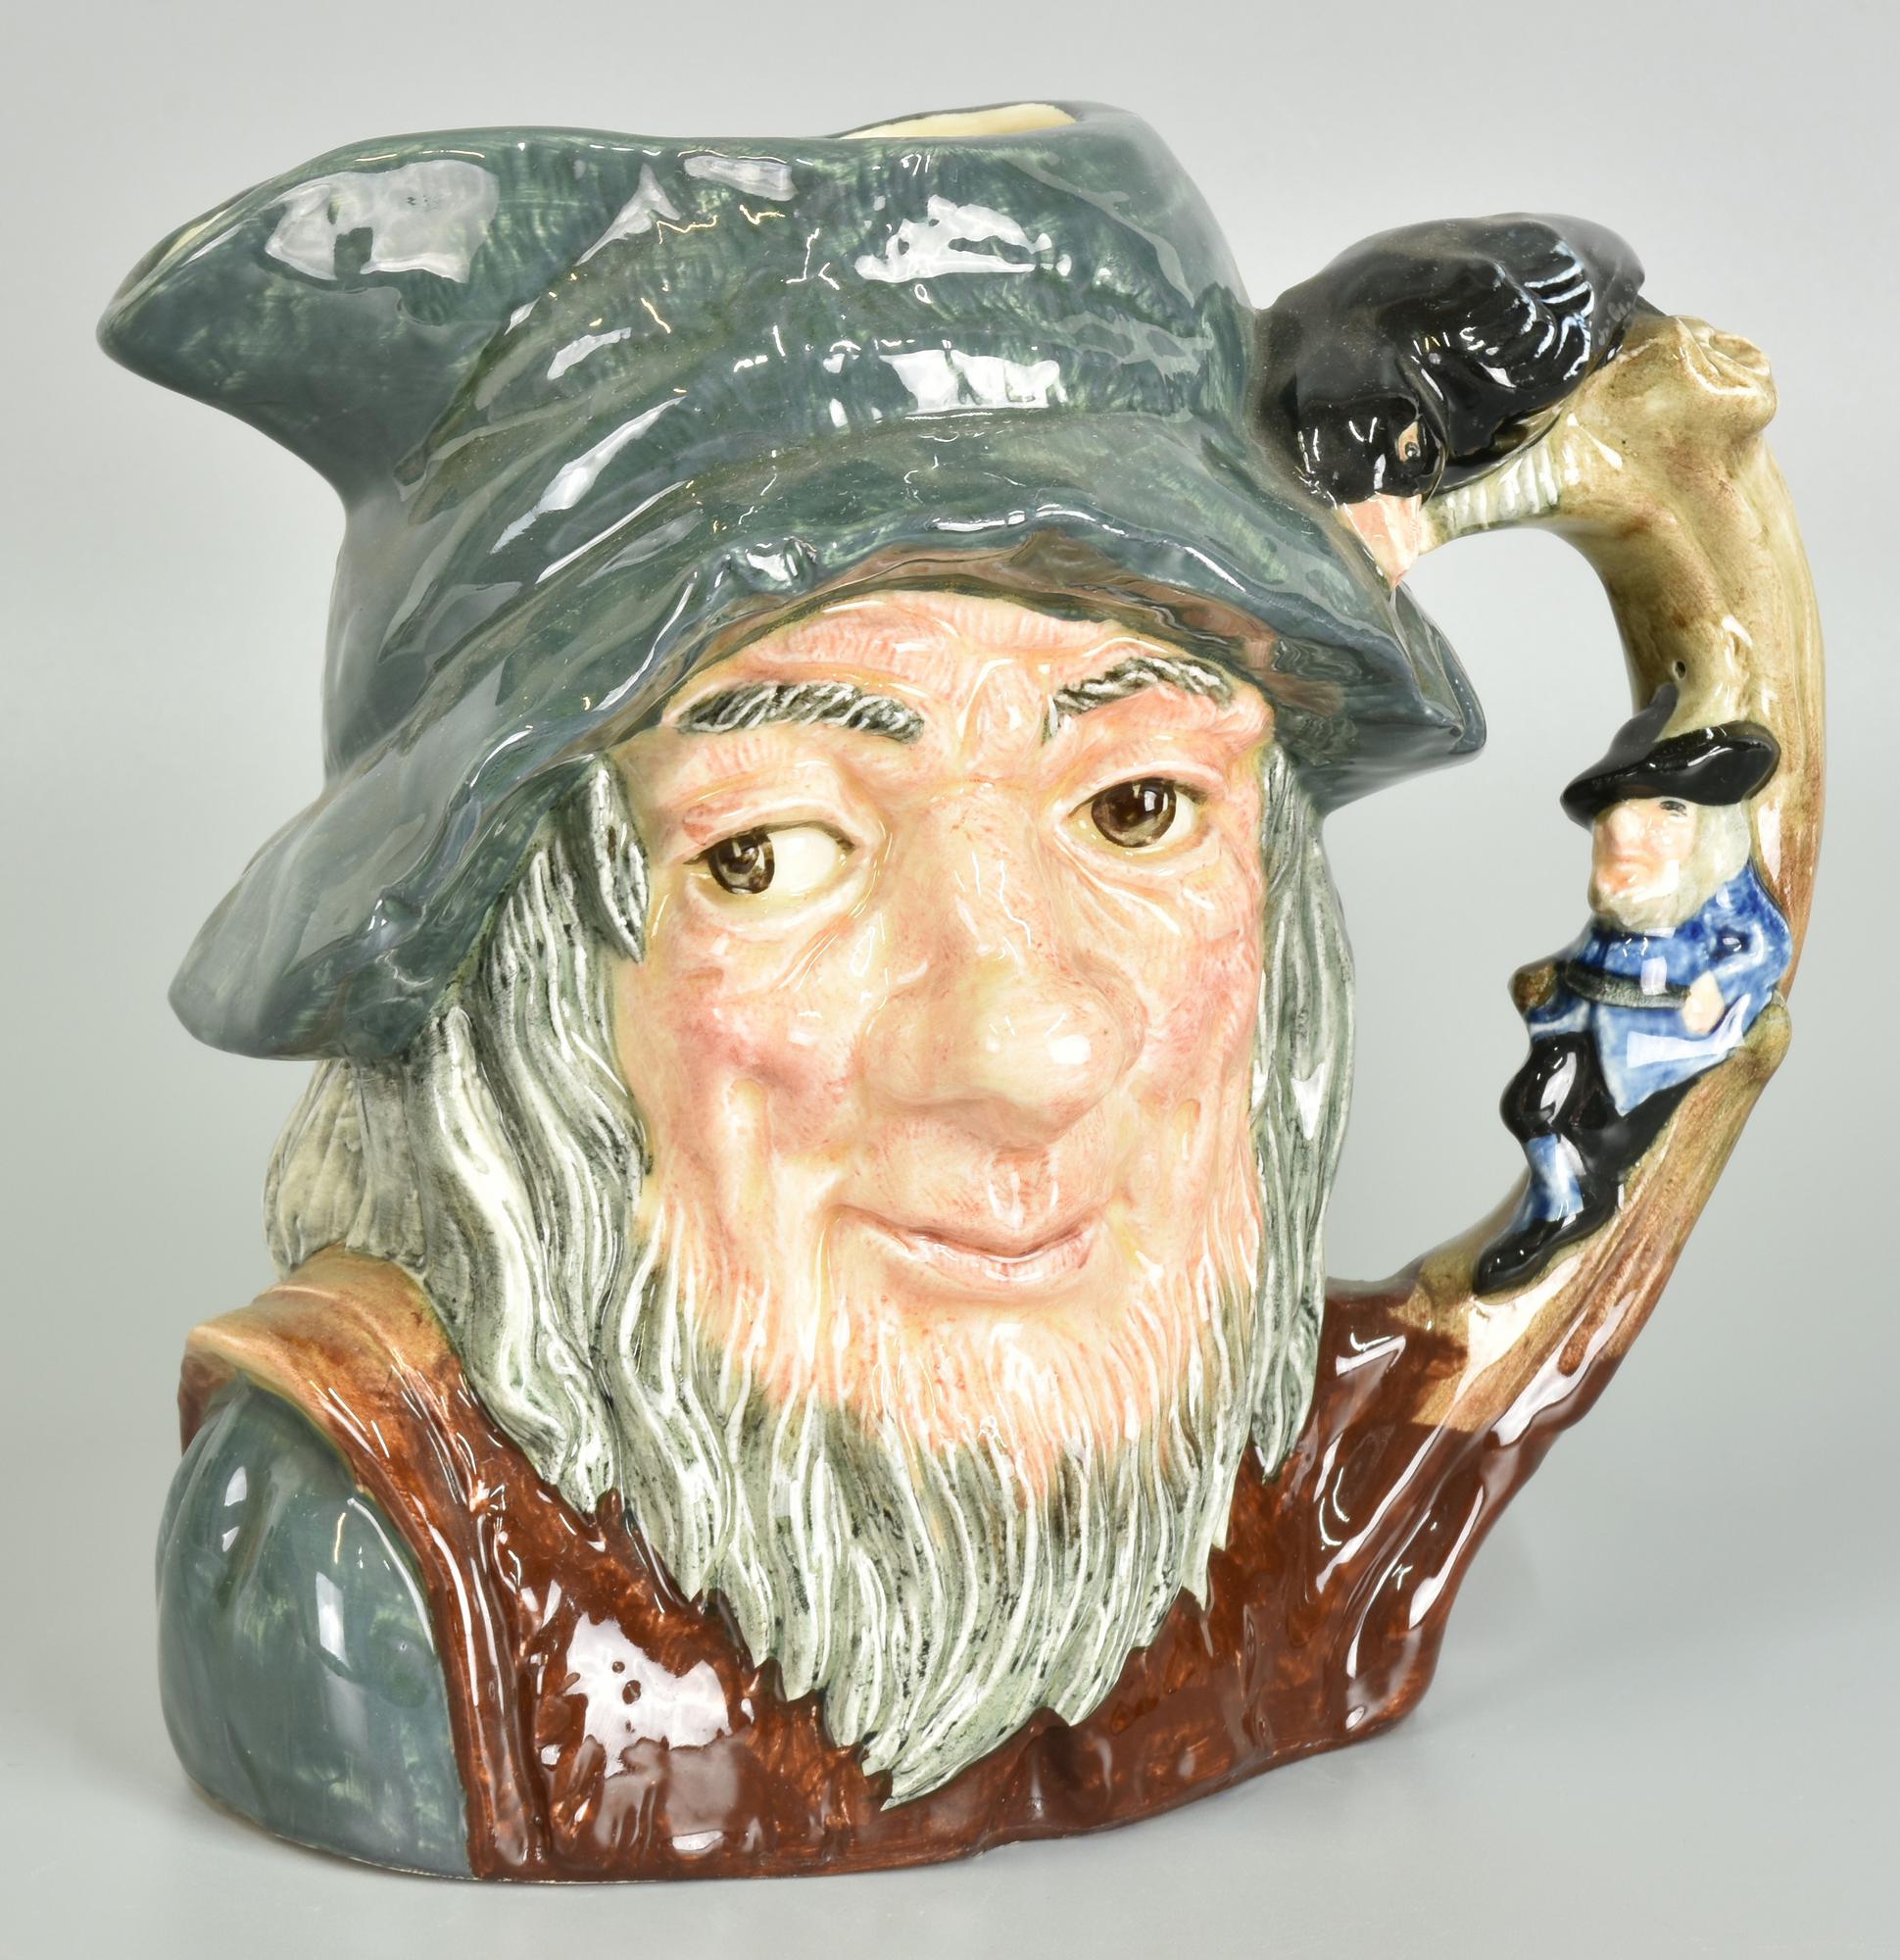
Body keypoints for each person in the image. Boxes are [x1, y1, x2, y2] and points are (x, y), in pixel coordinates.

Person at [103, 102, 1644, 1876]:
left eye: (1137, 808)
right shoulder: (365, 1585)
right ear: (506, 984)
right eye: (768, 854)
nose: (1029, 1048)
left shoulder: (1298, 1502)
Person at [1475, 688, 1791, 1296]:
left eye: (1670, 807)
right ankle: (1559, 1201)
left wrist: (1718, 984)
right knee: (1530, 1103)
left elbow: (1768, 945)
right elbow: (1590, 953)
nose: (1627, 829)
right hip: (1585, 1017)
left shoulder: (1723, 895)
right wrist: (1551, 974)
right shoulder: (1623, 903)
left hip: (1662, 1042)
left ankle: (1578, 1201)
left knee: (1601, 1134)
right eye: (1624, 808)